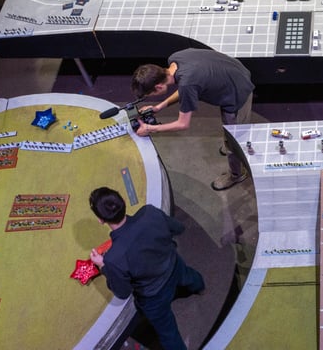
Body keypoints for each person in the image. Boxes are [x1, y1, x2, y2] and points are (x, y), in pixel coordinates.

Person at [88, 187, 204, 350]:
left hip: (153, 296)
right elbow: (178, 228)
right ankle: (200, 288)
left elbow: (122, 292)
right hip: (174, 266)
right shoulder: (150, 213)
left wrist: (103, 266)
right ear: (122, 202)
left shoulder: (113, 258)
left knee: (168, 333)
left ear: (101, 220)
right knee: (191, 278)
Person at [131, 48, 254, 190]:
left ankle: (237, 174)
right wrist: (158, 107)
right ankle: (230, 141)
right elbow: (186, 88)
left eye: (151, 94)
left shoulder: (187, 83)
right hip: (234, 71)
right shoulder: (175, 58)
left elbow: (182, 124)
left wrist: (150, 129)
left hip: (238, 90)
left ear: (158, 87)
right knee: (230, 133)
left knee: (234, 140)